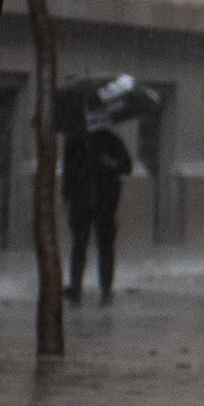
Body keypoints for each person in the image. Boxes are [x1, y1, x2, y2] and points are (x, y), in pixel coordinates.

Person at [63, 125, 133, 304]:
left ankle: (106, 289)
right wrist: (67, 197)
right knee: (79, 244)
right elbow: (68, 171)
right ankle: (76, 287)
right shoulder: (74, 142)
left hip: (105, 203)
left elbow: (127, 166)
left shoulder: (110, 140)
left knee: (105, 247)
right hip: (81, 201)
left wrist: (111, 163)